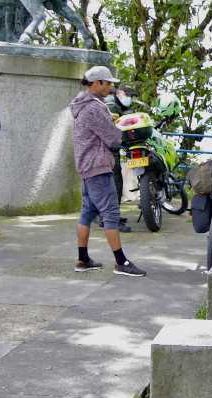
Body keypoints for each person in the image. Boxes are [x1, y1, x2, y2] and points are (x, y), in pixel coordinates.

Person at [71, 66, 146, 276]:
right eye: (107, 83)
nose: (111, 87)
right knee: (111, 213)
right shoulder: (94, 108)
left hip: (87, 166)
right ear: (95, 83)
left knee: (87, 212)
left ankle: (83, 259)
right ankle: (121, 262)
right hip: (97, 166)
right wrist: (120, 129)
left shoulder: (82, 104)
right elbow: (113, 138)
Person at [101, 86, 138, 233]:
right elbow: (111, 128)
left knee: (109, 184)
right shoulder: (112, 104)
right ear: (121, 94)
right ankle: (111, 220)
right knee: (114, 184)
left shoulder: (114, 103)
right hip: (107, 151)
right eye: (130, 96)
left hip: (105, 150)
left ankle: (107, 217)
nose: (131, 100)